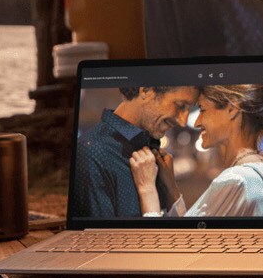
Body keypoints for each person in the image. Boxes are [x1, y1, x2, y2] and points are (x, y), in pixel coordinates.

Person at [129, 83, 263, 218]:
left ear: (232, 109)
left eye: (203, 110)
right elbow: (193, 235)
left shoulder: (236, 180)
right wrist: (172, 188)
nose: (197, 122)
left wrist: (148, 190)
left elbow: (177, 253)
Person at [68, 84, 198, 220]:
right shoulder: (94, 153)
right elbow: (101, 239)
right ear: (146, 90)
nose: (183, 122)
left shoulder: (150, 148)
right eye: (180, 105)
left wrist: (171, 191)